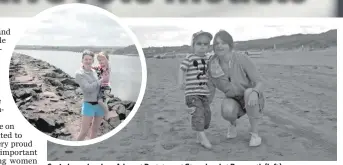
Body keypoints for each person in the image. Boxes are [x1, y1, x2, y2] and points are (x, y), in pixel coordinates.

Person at [207, 30, 265, 147]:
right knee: (227, 110)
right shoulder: (211, 65)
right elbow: (210, 89)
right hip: (233, 99)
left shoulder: (241, 58)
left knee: (249, 93)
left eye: (223, 43)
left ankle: (255, 134)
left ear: (230, 45)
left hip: (252, 98)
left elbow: (260, 82)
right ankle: (232, 125)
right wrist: (203, 106)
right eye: (216, 43)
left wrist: (255, 92)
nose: (219, 46)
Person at [178, 30, 213, 149]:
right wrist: (181, 81)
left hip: (204, 93)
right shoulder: (190, 58)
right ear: (193, 45)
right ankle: (203, 137)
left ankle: (199, 135)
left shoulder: (209, 59)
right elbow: (182, 69)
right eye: (199, 44)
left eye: (205, 44)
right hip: (192, 93)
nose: (202, 47)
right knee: (198, 114)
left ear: (208, 46)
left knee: (207, 115)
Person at [75, 50, 109, 141]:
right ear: (82, 60)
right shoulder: (79, 74)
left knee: (95, 130)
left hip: (99, 106)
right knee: (84, 132)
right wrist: (101, 80)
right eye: (86, 59)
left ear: (93, 61)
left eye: (90, 59)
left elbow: (105, 70)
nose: (88, 61)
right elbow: (87, 88)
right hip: (88, 105)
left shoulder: (95, 71)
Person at [93, 51, 111, 120]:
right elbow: (94, 67)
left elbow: (107, 62)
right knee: (100, 100)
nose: (100, 61)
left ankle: (107, 113)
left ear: (106, 59)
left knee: (100, 101)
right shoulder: (101, 67)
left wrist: (104, 57)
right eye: (99, 60)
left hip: (106, 87)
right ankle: (101, 112)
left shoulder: (107, 67)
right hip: (101, 86)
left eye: (102, 59)